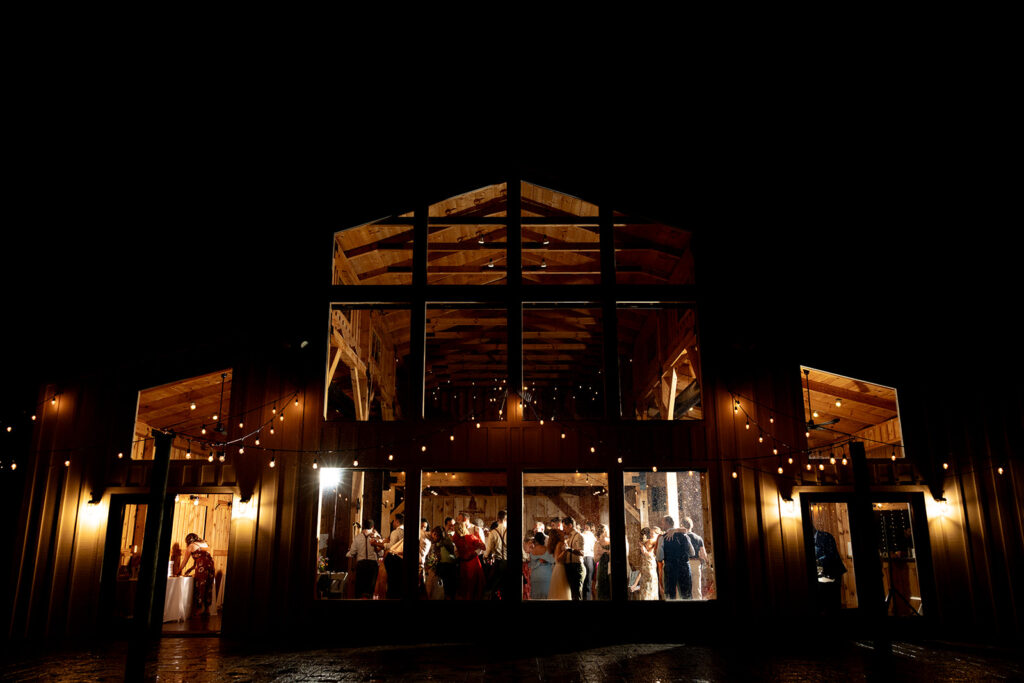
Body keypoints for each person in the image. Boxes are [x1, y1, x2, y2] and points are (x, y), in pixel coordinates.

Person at [658, 515, 694, 600]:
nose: (661, 525)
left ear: (667, 523)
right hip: (684, 568)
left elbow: (659, 557)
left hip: (670, 569)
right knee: (686, 595)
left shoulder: (662, 538)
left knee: (670, 596)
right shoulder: (685, 536)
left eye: (662, 523)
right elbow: (692, 552)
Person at [181, 533, 216, 617]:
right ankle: (207, 609)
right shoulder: (204, 543)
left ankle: (199, 609)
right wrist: (190, 569)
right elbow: (201, 558)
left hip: (202, 567)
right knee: (208, 586)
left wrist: (179, 570)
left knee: (200, 585)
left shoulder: (191, 546)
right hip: (210, 565)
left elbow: (184, 561)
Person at [346, 519, 382, 599]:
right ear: (372, 527)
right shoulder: (376, 537)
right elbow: (381, 553)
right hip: (372, 565)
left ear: (363, 526)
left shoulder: (357, 537)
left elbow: (352, 552)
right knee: (370, 589)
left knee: (360, 588)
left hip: (361, 564)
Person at [814, 526, 847, 612]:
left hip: (833, 575)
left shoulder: (826, 537)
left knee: (832, 605)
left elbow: (831, 556)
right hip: (822, 576)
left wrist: (817, 561)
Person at [453, 518, 486, 600]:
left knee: (465, 584)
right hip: (473, 562)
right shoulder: (471, 537)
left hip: (463, 563)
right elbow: (484, 547)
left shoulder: (455, 538)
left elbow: (457, 550)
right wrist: (477, 538)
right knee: (474, 584)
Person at [681, 516, 709, 600]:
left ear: (682, 525)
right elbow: (703, 553)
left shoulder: (681, 538)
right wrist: (707, 561)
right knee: (696, 588)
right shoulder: (698, 538)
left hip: (684, 564)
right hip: (695, 564)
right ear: (692, 526)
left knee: (685, 588)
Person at [628, 527, 659, 600]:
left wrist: (642, 546)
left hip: (649, 574)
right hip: (649, 574)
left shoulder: (650, 542)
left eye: (652, 534)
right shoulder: (650, 545)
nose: (651, 535)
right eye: (650, 533)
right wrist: (635, 584)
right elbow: (642, 569)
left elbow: (644, 569)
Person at [483, 510, 508, 600]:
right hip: (508, 562)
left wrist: (485, 556)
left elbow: (488, 549)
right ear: (506, 519)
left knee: (495, 586)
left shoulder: (493, 532)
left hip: (498, 562)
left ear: (498, 519)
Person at [561, 517, 586, 601]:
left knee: (576, 594)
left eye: (564, 527)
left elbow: (581, 552)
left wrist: (569, 549)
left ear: (570, 525)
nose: (563, 529)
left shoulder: (579, 536)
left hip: (576, 567)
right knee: (571, 594)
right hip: (569, 567)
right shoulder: (569, 537)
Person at [546, 528, 571, 600]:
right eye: (561, 532)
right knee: (562, 593)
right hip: (561, 569)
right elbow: (558, 559)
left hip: (556, 569)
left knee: (556, 593)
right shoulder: (560, 544)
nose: (563, 533)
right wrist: (566, 550)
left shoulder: (555, 544)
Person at [384, 513, 405, 599]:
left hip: (394, 560)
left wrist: (381, 544)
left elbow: (391, 546)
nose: (392, 523)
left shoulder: (395, 532)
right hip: (404, 561)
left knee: (392, 583)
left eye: (393, 521)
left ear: (397, 521)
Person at [529, 531, 554, 599]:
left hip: (535, 575)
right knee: (546, 596)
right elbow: (553, 561)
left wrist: (538, 562)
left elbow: (530, 565)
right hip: (546, 575)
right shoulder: (547, 550)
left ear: (536, 540)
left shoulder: (532, 551)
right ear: (543, 539)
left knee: (536, 597)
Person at [594, 524, 611, 600]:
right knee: (602, 590)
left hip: (610, 567)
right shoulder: (597, 543)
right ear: (603, 531)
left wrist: (604, 551)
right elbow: (595, 559)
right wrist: (600, 554)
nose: (608, 531)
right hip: (602, 568)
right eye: (607, 530)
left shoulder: (610, 541)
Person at [581, 521, 596, 600]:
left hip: (588, 558)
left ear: (591, 529)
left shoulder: (590, 536)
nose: (585, 529)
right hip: (587, 558)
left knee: (587, 583)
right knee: (587, 583)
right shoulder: (592, 537)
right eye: (584, 528)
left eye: (587, 528)